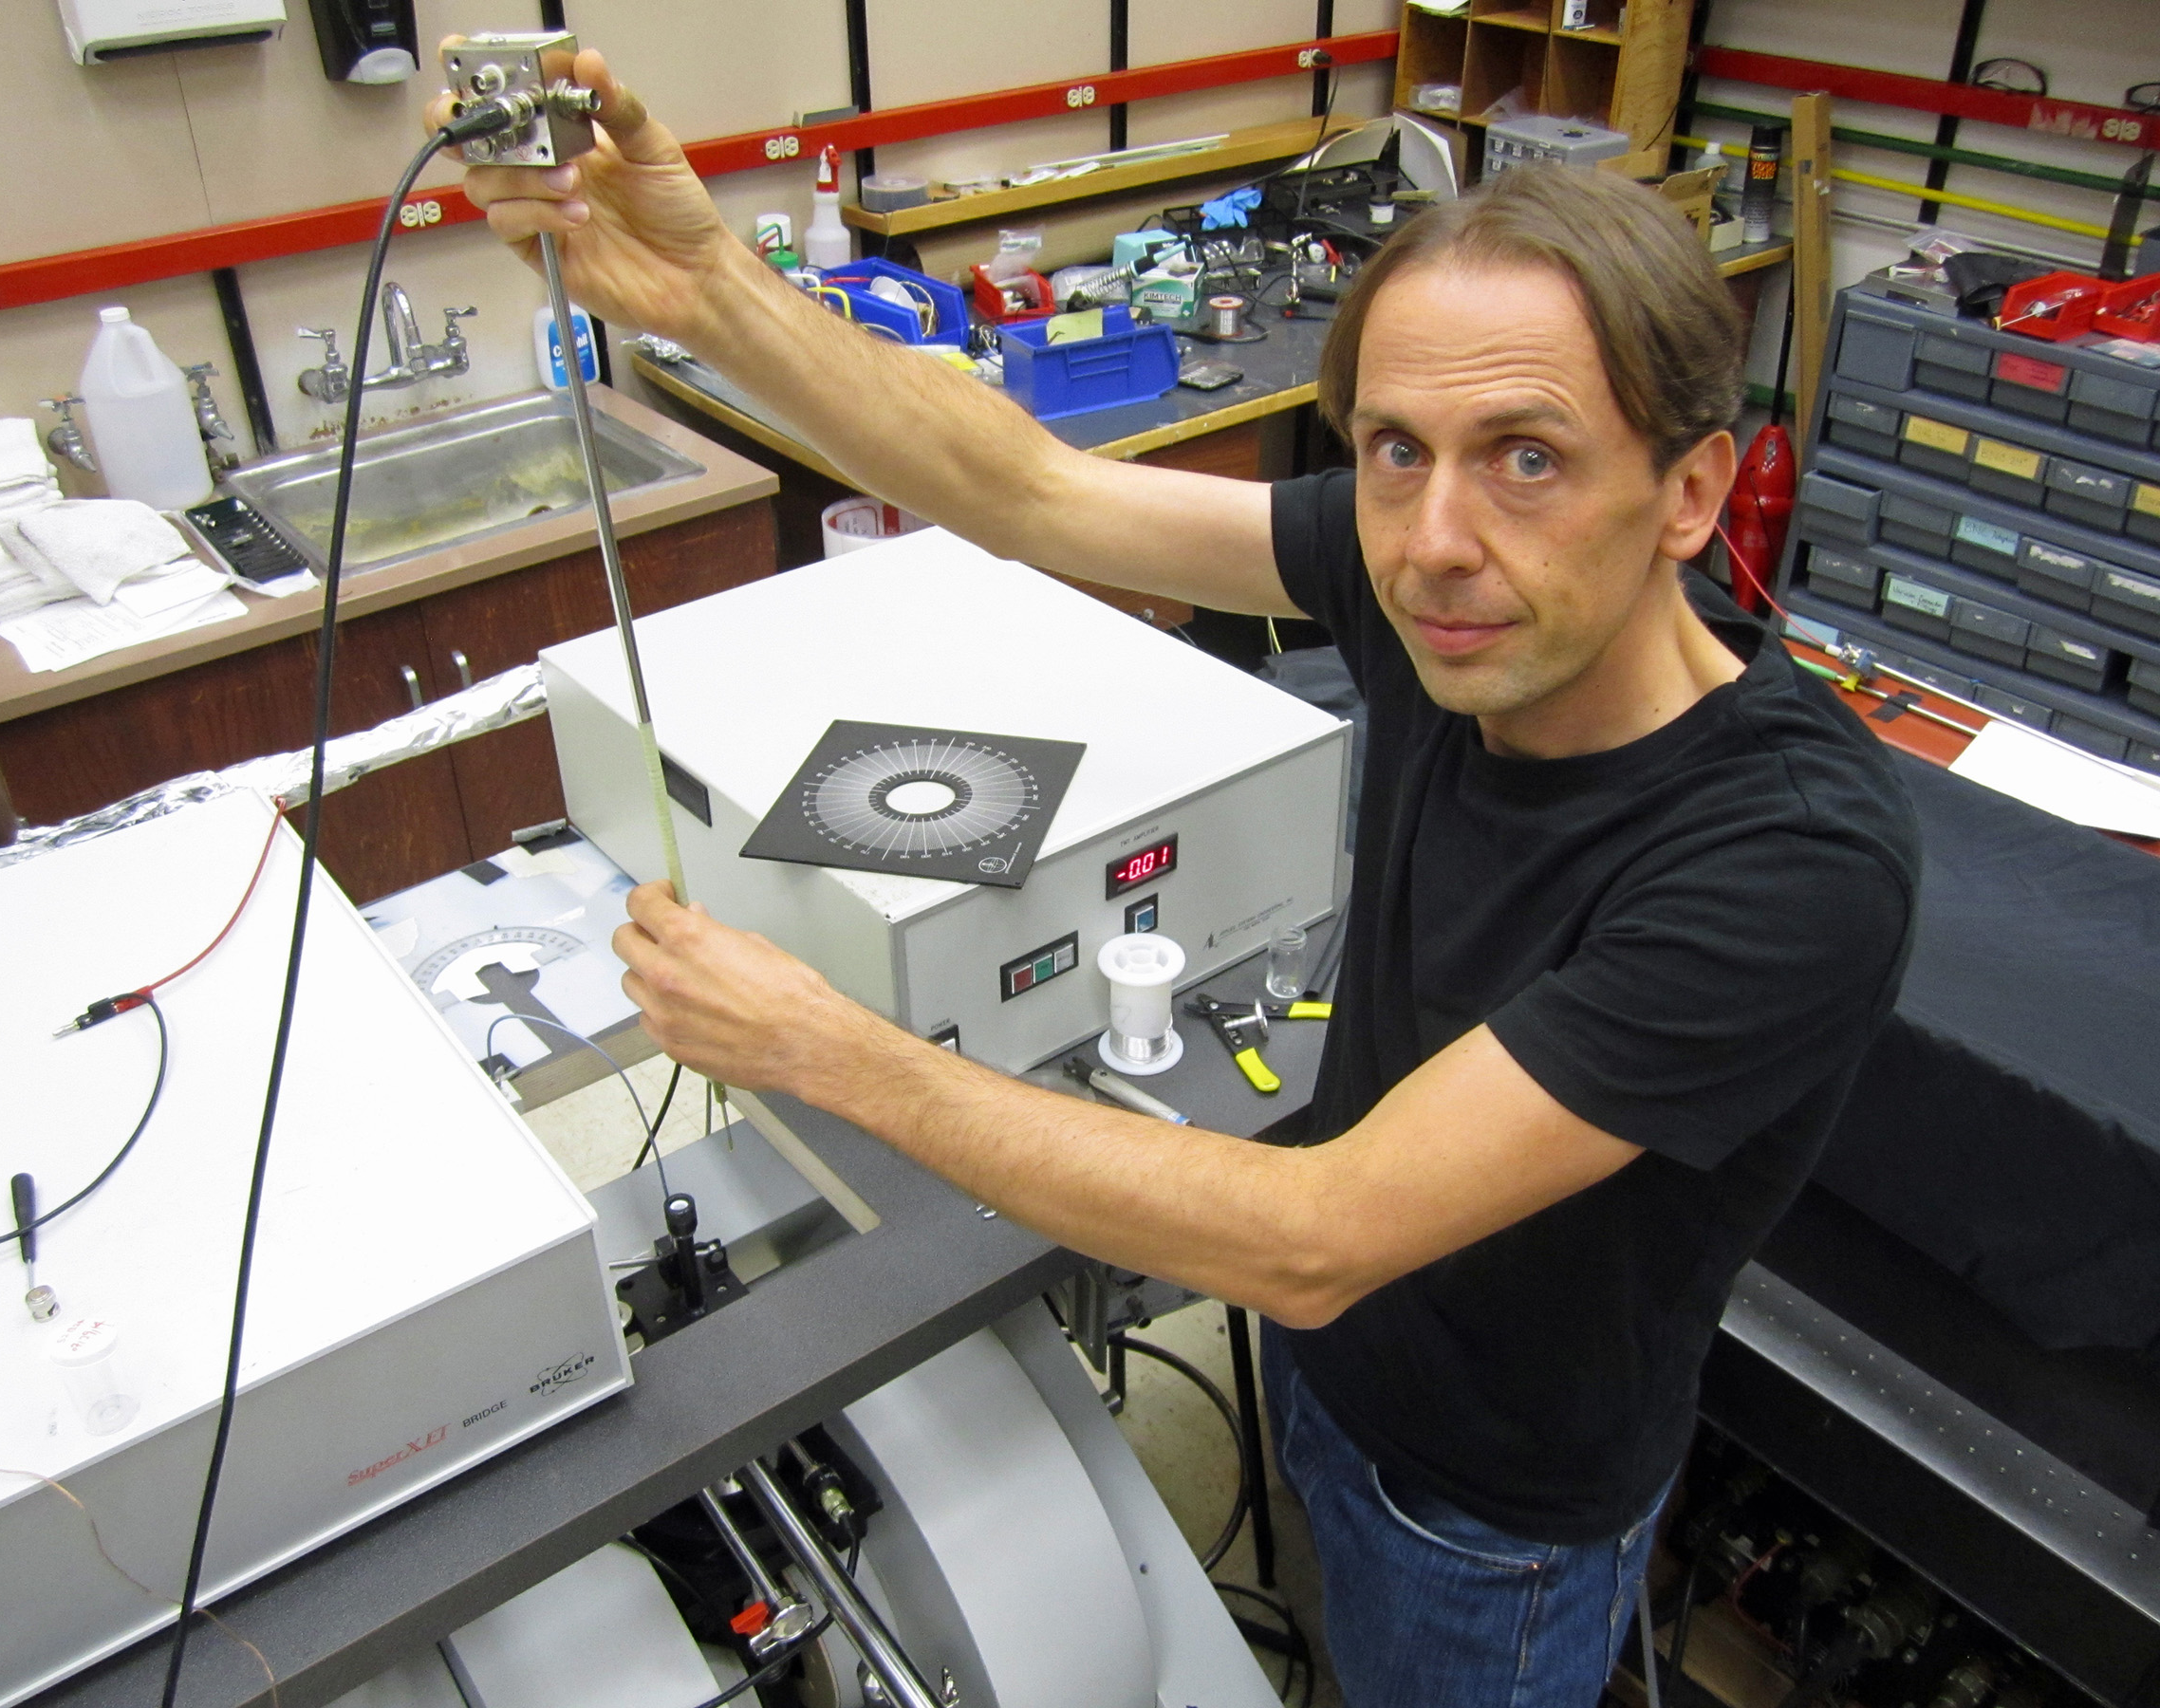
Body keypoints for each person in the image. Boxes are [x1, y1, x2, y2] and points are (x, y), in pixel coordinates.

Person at [438, 52, 1919, 1707]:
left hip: (1488, 1514)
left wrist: (825, 1047)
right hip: (1333, 1382)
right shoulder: (1436, 597)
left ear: (1690, 493)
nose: (1433, 536)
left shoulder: (1787, 863)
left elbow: (1315, 1230)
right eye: (1393, 450)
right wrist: (708, 289)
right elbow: (1029, 489)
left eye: (1529, 457)